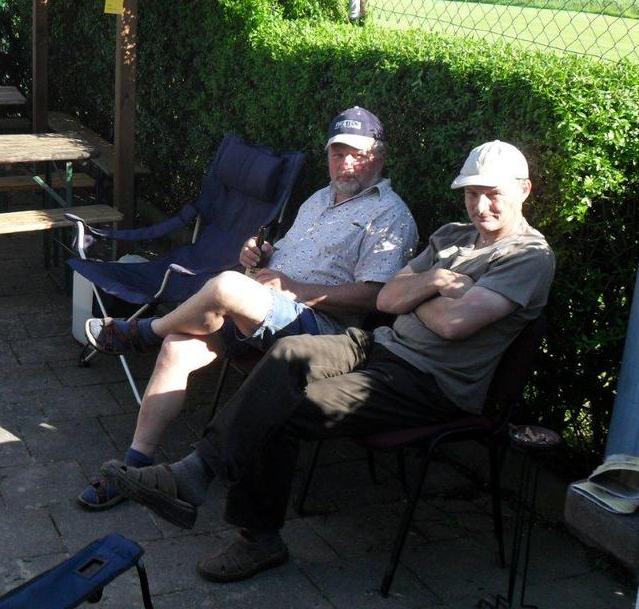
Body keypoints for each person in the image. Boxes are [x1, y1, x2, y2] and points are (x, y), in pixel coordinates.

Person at [104, 140, 555, 583]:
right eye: (472, 193)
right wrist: (435, 281)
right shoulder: (451, 236)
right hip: (378, 344)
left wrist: (414, 295)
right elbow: (387, 298)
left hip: (428, 383)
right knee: (287, 354)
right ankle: (197, 474)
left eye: (492, 193)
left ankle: (251, 530)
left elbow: (454, 324)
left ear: (524, 189)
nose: (480, 206)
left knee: (283, 410)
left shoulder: (528, 256)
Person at [78, 107, 419, 510]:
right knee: (176, 346)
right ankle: (136, 466)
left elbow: (373, 297)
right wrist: (261, 255)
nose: (345, 163)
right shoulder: (318, 199)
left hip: (321, 330)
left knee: (226, 286)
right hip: (265, 308)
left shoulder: (390, 215)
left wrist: (297, 289)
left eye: (357, 155)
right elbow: (285, 256)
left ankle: (139, 333)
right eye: (337, 153)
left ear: (379, 157)